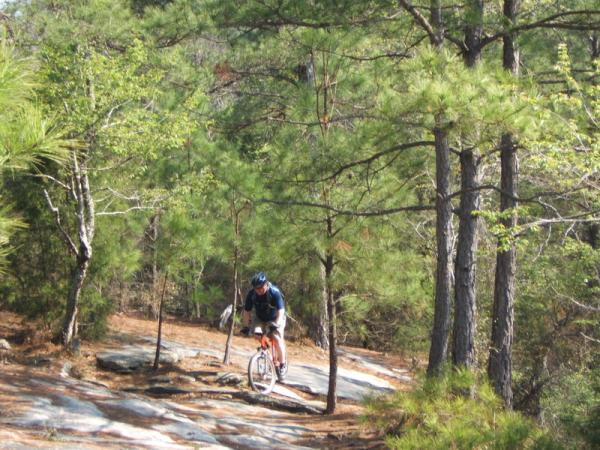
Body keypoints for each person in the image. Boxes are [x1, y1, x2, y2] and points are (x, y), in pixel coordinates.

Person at [240, 271, 287, 379]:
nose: (259, 290)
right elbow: (247, 311)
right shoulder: (252, 294)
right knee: (257, 333)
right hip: (260, 317)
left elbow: (281, 310)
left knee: (277, 337)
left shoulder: (274, 292)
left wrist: (277, 323)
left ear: (266, 284)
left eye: (261, 287)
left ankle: (283, 364)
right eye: (256, 288)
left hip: (276, 317)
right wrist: (246, 326)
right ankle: (266, 354)